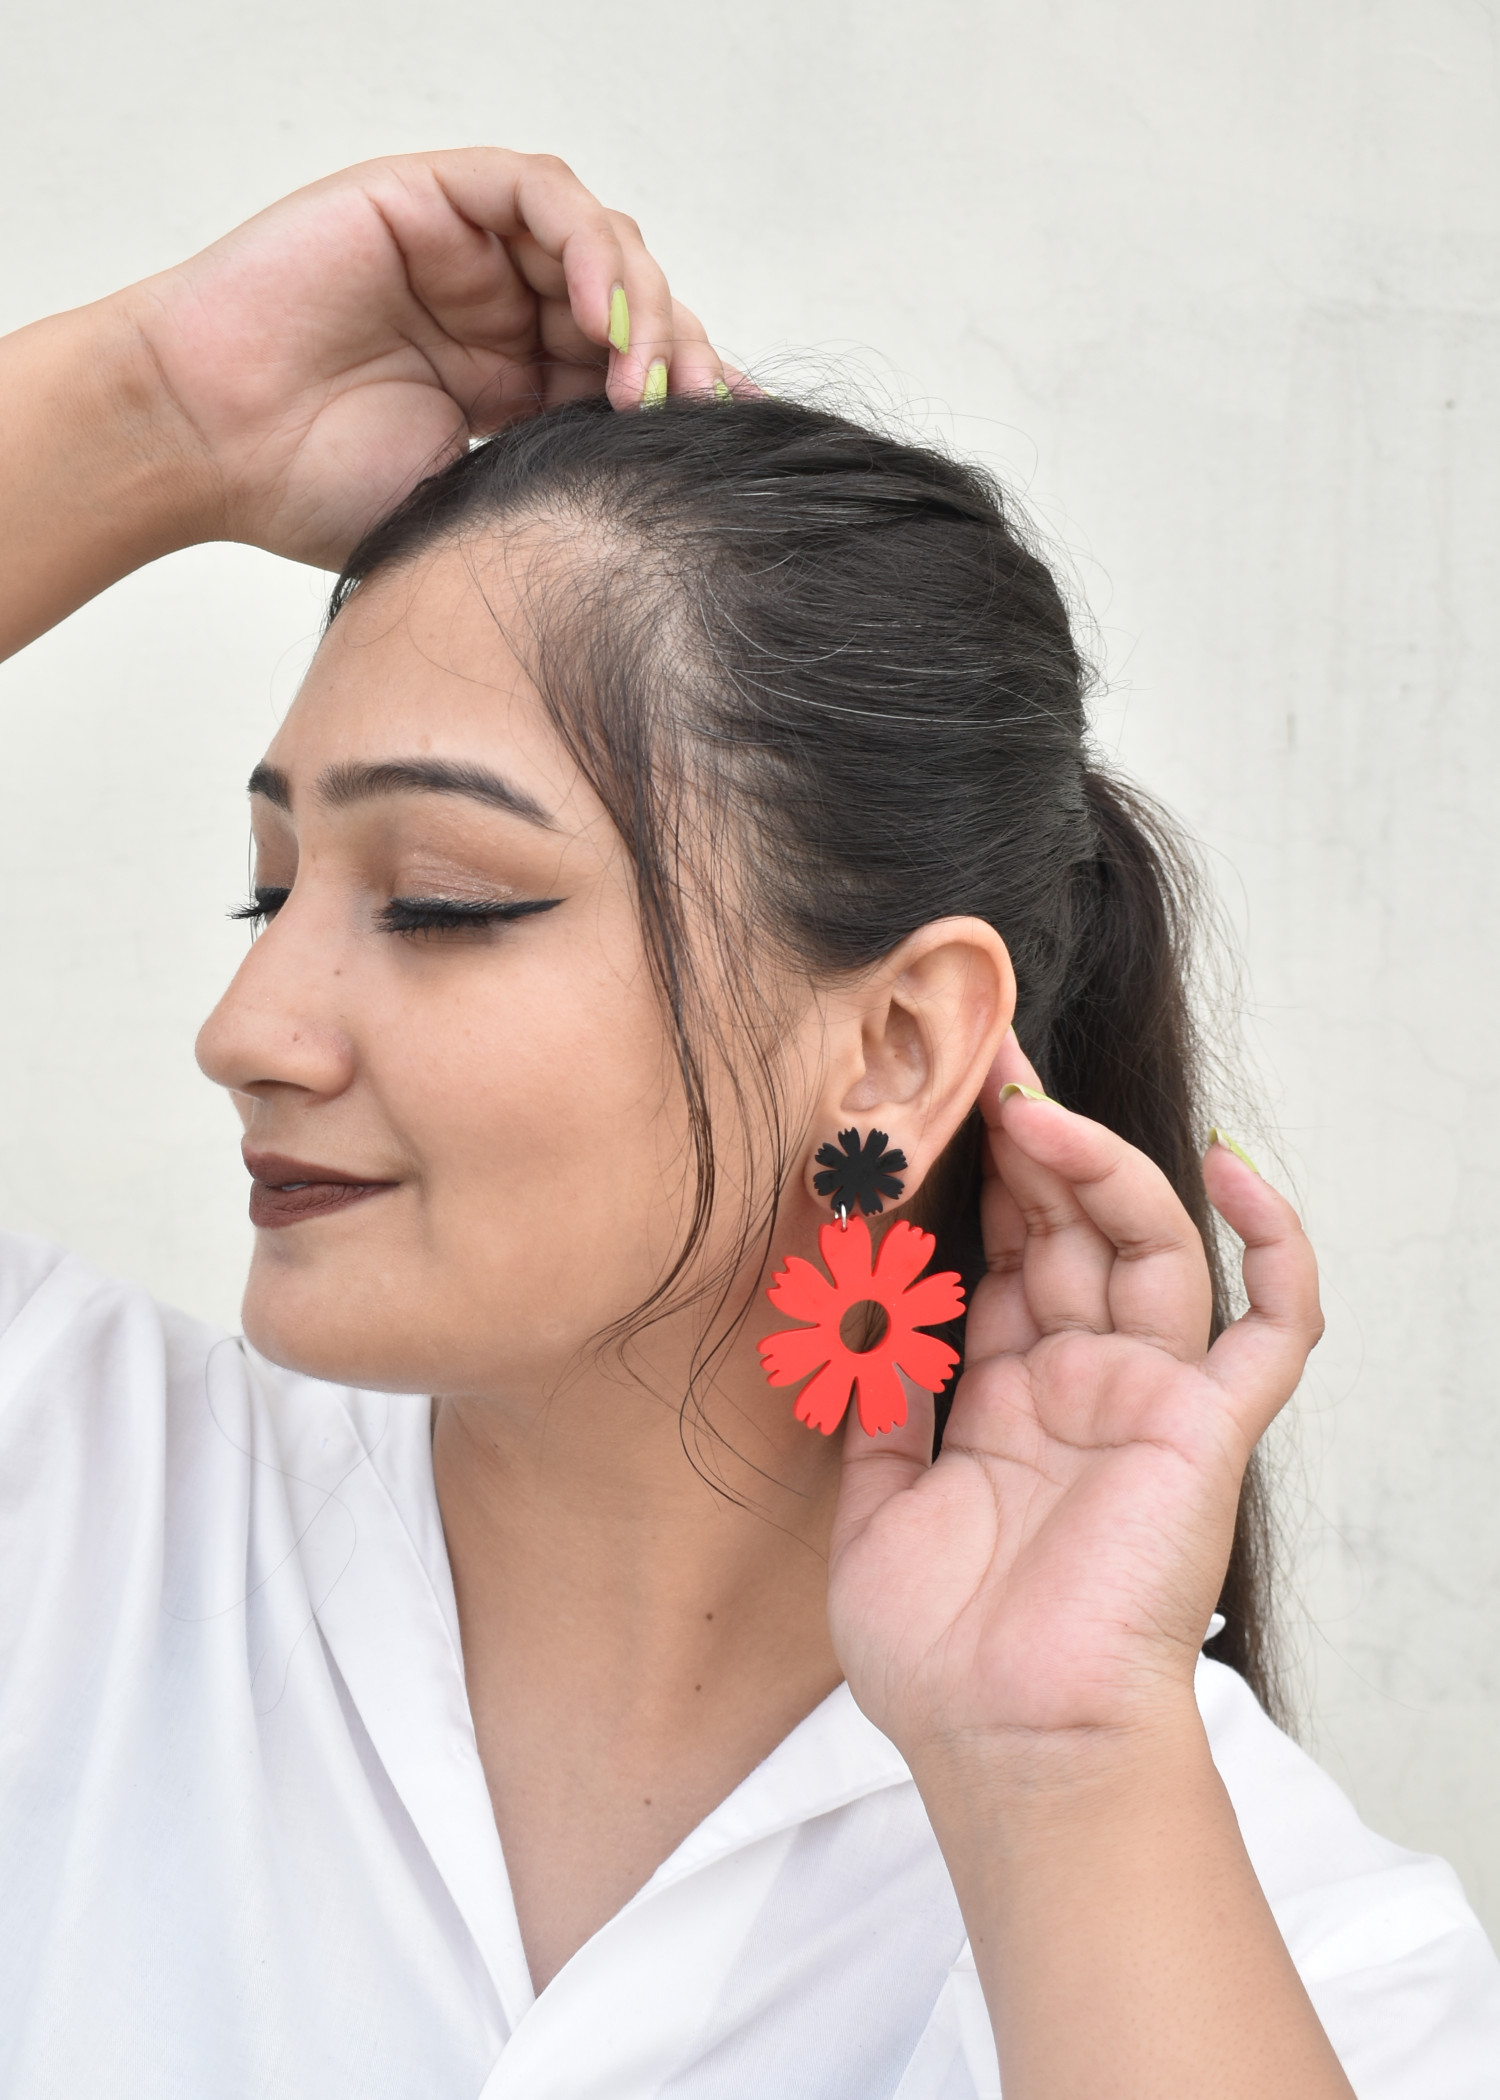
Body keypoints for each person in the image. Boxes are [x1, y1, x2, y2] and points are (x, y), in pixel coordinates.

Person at [0, 148, 1494, 2100]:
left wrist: (1057, 1767)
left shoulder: (1295, 1950)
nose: (248, 1026)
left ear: (892, 1045)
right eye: (268, 891)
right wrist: (152, 417)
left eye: (442, 900)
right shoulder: (67, 1502)